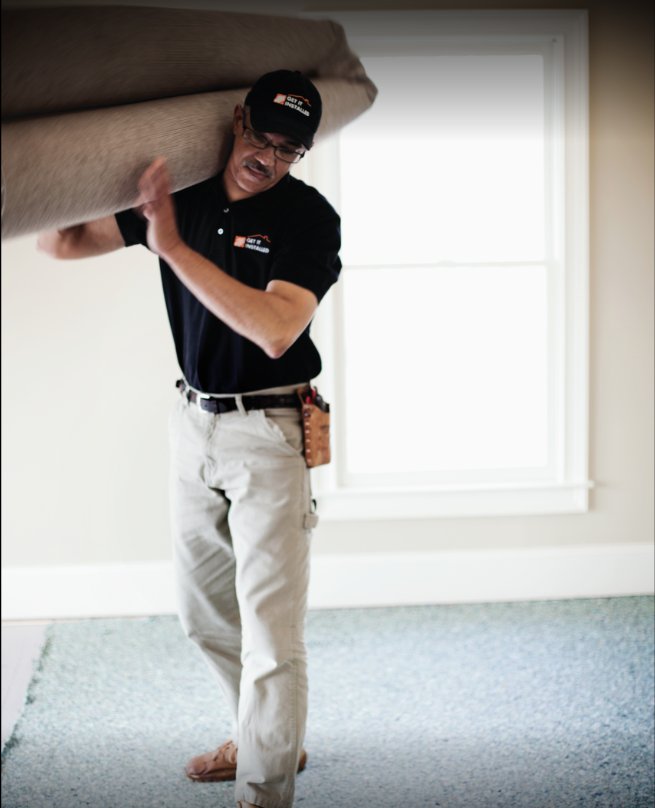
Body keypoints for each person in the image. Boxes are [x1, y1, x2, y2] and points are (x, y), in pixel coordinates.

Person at [37, 69, 342, 808]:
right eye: (261, 137)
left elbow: (276, 330)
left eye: (289, 149)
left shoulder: (308, 218)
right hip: (193, 423)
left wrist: (170, 246)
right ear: (238, 119)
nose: (268, 157)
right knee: (204, 614)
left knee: (271, 629)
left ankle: (264, 788)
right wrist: (71, 157)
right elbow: (61, 241)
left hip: (271, 431)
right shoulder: (189, 197)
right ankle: (264, 735)